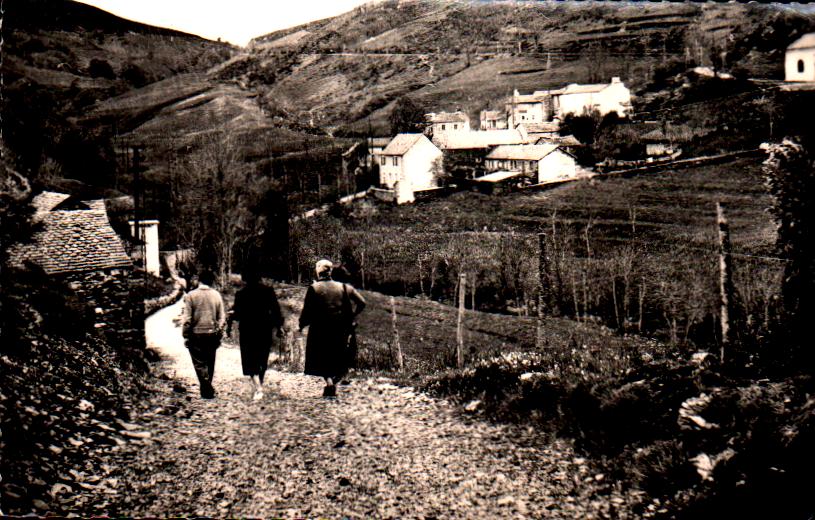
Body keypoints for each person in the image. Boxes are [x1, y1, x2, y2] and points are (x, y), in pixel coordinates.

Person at [299, 259, 366, 398]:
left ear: (318, 272)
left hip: (320, 329)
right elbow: (362, 303)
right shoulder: (344, 287)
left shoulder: (314, 288)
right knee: (340, 356)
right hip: (341, 328)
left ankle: (330, 383)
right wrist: (352, 315)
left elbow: (307, 311)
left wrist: (301, 325)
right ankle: (334, 382)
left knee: (322, 357)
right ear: (331, 271)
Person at [227, 267, 285, 401]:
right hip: (264, 329)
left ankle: (258, 388)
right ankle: (259, 385)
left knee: (249, 359)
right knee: (262, 358)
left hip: (248, 331)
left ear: (245, 278)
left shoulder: (241, 294)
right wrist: (279, 327)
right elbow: (276, 310)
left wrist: (231, 316)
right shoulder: (268, 291)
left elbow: (238, 315)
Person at [180, 270, 226, 399]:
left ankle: (206, 387)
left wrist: (185, 335)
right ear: (211, 281)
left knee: (199, 363)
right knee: (210, 361)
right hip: (212, 334)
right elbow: (222, 317)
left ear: (199, 280)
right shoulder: (216, 295)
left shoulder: (190, 296)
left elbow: (187, 319)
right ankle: (207, 388)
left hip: (196, 335)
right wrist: (219, 331)